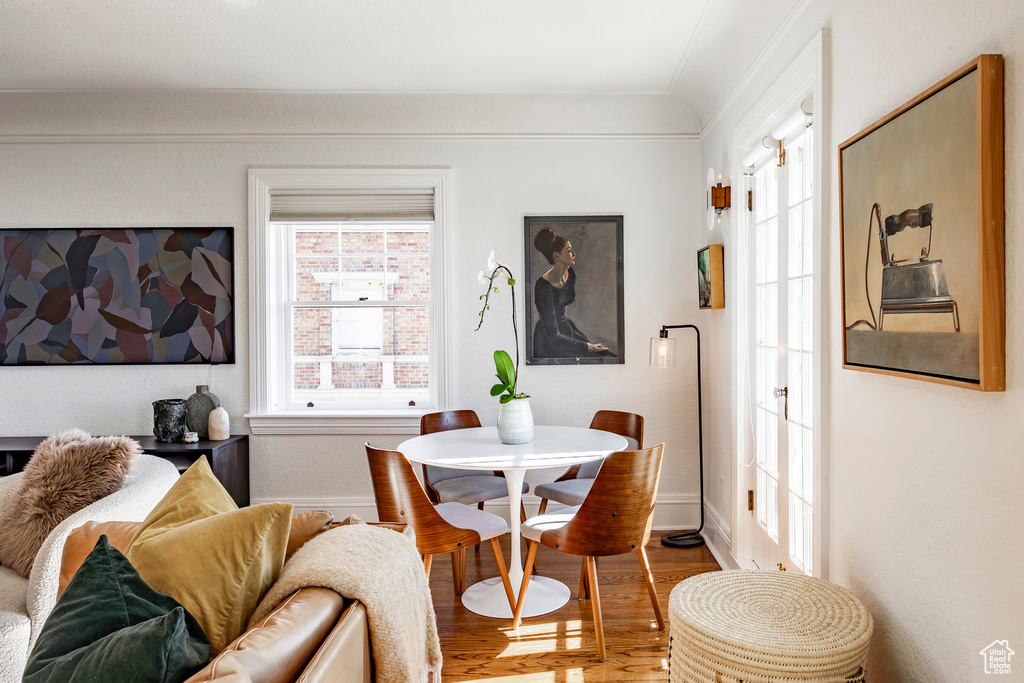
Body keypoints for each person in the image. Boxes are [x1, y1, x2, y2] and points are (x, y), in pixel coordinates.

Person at [532, 227, 612, 358]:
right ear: (556, 256)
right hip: (550, 339)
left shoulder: (571, 274)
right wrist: (587, 346)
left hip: (568, 329)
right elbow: (554, 336)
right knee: (596, 355)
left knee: (605, 353)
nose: (574, 254)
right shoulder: (543, 287)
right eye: (569, 251)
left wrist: (588, 345)